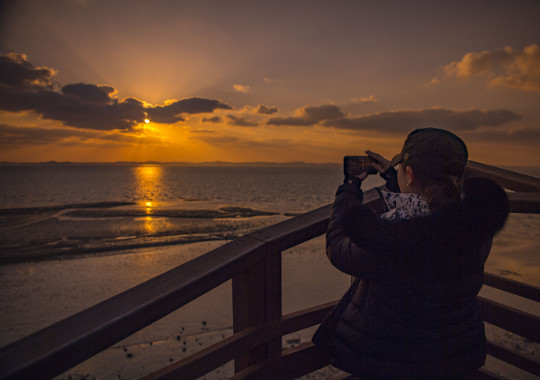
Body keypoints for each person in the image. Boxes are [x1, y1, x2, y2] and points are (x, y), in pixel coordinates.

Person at [313, 128, 509, 379]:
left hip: (394, 359)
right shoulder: (476, 224)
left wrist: (350, 188)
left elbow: (339, 248)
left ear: (412, 174)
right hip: (451, 353)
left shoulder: (394, 238)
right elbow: (428, 209)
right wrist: (394, 177)